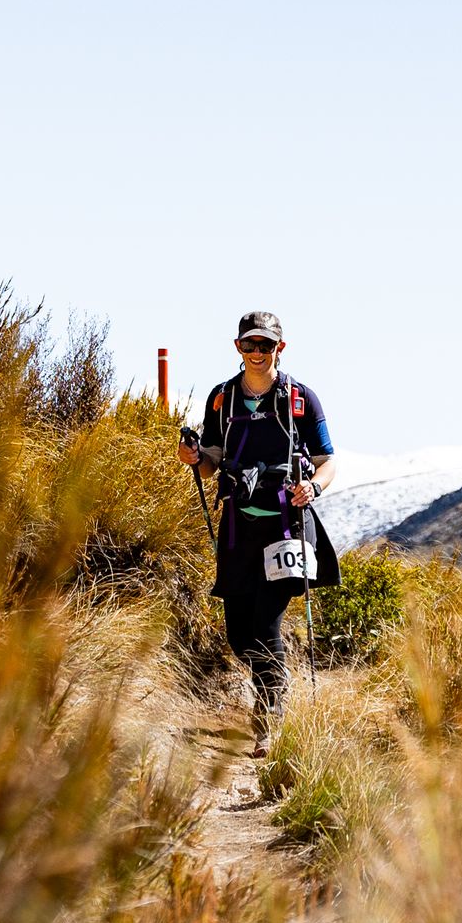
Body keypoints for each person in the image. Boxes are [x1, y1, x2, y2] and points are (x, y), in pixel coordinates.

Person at [179, 310, 338, 747]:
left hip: (288, 526)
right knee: (237, 632)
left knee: (266, 622)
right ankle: (274, 680)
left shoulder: (301, 399)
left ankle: (270, 715)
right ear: (238, 348)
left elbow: (328, 463)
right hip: (239, 527)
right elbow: (210, 464)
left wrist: (313, 487)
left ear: (279, 348)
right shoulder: (222, 399)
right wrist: (194, 458)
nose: (257, 352)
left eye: (265, 345)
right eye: (250, 344)